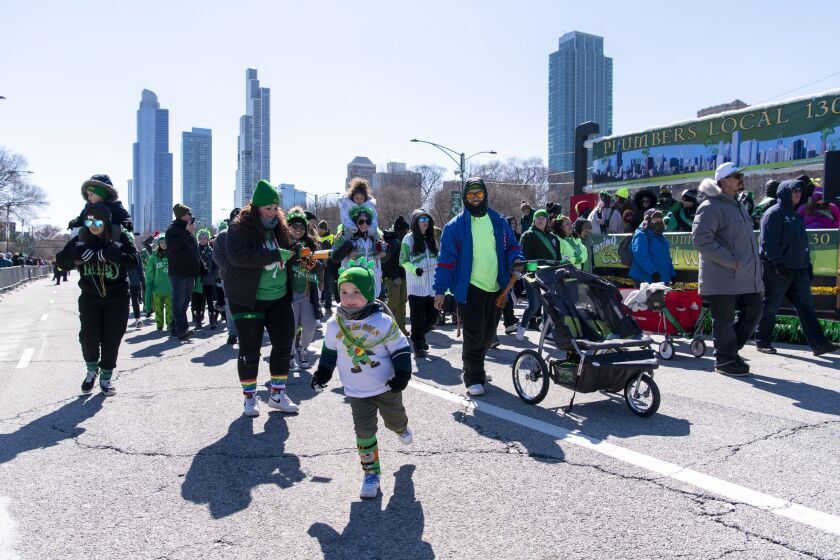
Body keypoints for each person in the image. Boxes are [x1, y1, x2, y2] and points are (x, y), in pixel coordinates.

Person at [310, 264, 413, 499]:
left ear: (369, 293)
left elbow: (400, 348)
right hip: (357, 392)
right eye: (344, 292)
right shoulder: (334, 325)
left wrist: (403, 374)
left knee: (394, 421)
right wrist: (322, 375)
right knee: (364, 432)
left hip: (387, 387)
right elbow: (329, 354)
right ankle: (371, 474)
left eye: (356, 292)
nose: (349, 298)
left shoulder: (383, 321)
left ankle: (402, 427)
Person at [433, 178, 524, 396]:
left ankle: (477, 368)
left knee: (488, 335)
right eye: (471, 196)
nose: (475, 199)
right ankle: (473, 377)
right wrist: (440, 290)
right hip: (469, 288)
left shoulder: (499, 221)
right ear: (465, 198)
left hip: (497, 287)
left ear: (485, 196)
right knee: (473, 335)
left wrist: (517, 259)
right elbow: (445, 261)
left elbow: (513, 246)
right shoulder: (454, 227)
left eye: (479, 195)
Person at [224, 180, 299, 416]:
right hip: (248, 298)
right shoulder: (239, 229)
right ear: (255, 208)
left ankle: (277, 394)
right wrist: (275, 254)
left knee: (284, 345)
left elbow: (290, 255)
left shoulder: (280, 229)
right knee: (249, 350)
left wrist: (301, 257)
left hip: (279, 297)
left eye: (275, 208)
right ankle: (250, 397)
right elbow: (239, 257)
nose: (272, 212)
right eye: (268, 208)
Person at [55, 203, 137, 396]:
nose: (93, 225)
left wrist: (112, 254)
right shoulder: (80, 239)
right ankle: (92, 370)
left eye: (98, 221)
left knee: (111, 339)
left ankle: (106, 378)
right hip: (90, 297)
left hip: (117, 298)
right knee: (88, 338)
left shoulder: (120, 238)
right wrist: (77, 257)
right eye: (89, 220)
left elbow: (134, 261)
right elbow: (60, 262)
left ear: (107, 222)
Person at [692, 163, 763, 376]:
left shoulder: (738, 205)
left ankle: (730, 351)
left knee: (755, 309)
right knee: (723, 319)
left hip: (744, 274)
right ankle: (725, 360)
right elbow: (701, 240)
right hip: (722, 275)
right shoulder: (710, 206)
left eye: (741, 175)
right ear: (723, 181)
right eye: (736, 176)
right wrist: (730, 260)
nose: (741, 179)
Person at [756, 180, 838, 356]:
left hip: (799, 271)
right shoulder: (773, 214)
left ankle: (819, 344)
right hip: (777, 270)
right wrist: (777, 263)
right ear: (784, 192)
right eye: (794, 191)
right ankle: (763, 342)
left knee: (806, 307)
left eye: (800, 191)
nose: (798, 194)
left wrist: (807, 265)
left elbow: (802, 243)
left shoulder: (795, 215)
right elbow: (767, 243)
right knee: (770, 306)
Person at [516, 208, 561, 340]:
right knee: (534, 305)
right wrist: (532, 271)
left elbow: (557, 258)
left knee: (549, 304)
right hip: (532, 275)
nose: (540, 220)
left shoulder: (553, 238)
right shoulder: (528, 235)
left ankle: (546, 330)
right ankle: (522, 327)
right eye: (538, 218)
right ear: (534, 220)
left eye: (543, 218)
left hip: (550, 276)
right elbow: (525, 257)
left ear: (547, 221)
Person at [286, 207, 323, 369]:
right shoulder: (283, 244)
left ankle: (302, 348)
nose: (299, 230)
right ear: (289, 228)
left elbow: (319, 267)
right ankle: (290, 355)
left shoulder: (311, 244)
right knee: (291, 328)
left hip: (308, 293)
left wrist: (311, 261)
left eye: (302, 227)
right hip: (289, 294)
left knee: (310, 327)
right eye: (295, 227)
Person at [400, 210, 439, 357]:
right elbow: (403, 261)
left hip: (432, 285)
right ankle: (418, 346)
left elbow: (438, 257)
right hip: (416, 285)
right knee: (417, 318)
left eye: (427, 219)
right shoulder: (407, 239)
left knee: (433, 317)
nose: (425, 222)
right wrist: (414, 269)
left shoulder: (432, 238)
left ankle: (419, 336)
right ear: (415, 222)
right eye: (421, 219)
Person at [331, 207, 386, 300]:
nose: (364, 224)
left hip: (372, 283)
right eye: (361, 221)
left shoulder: (373, 237)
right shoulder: (345, 237)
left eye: (367, 221)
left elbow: (386, 253)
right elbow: (335, 257)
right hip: (353, 284)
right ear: (354, 222)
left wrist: (384, 254)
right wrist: (348, 250)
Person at [165, 204, 201, 339]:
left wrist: (201, 266)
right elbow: (173, 247)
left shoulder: (189, 230)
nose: (190, 216)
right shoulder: (172, 230)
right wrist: (187, 232)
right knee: (178, 301)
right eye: (188, 214)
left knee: (185, 302)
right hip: (178, 273)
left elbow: (194, 250)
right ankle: (182, 329)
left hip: (190, 272)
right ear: (181, 215)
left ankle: (175, 327)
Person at [68, 174, 132, 236]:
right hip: (93, 233)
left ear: (102, 194)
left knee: (117, 231)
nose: (89, 197)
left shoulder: (115, 205)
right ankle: (80, 245)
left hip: (110, 234)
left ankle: (116, 245)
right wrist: (75, 222)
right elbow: (82, 217)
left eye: (91, 194)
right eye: (87, 195)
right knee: (82, 231)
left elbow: (124, 215)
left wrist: (127, 222)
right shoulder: (89, 206)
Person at [212, 208, 241, 345]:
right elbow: (216, 255)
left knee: (247, 306)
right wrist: (230, 268)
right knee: (230, 306)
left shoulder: (248, 234)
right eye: (235, 218)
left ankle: (244, 332)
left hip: (246, 278)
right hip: (228, 277)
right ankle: (232, 333)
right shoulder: (223, 235)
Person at [630, 209, 675, 286]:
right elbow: (640, 256)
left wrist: (671, 273)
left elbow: (666, 257)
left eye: (659, 218)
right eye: (654, 218)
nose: (658, 221)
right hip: (645, 279)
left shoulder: (661, 236)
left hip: (661, 279)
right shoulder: (641, 234)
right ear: (648, 220)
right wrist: (653, 272)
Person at [381, 216, 410, 334]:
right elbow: (387, 262)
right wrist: (395, 276)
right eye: (407, 230)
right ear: (402, 230)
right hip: (392, 277)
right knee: (393, 301)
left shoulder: (402, 241)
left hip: (402, 276)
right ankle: (381, 326)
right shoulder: (392, 241)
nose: (408, 232)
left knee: (402, 301)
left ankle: (401, 328)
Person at [144, 236, 173, 332]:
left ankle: (170, 324)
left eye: (166, 242)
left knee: (170, 308)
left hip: (170, 287)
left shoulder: (173, 254)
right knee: (158, 308)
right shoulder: (154, 256)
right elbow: (150, 271)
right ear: (159, 244)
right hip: (158, 287)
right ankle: (159, 325)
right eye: (162, 243)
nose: (164, 244)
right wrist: (149, 284)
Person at [193, 228, 219, 329]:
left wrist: (214, 276)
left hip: (209, 280)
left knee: (210, 301)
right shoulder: (195, 250)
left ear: (208, 239)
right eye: (200, 238)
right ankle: (198, 321)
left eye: (204, 238)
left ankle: (212, 321)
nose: (202, 240)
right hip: (199, 280)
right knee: (198, 301)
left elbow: (216, 266)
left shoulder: (211, 251)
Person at [340, 177, 379, 242]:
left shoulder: (368, 204)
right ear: (353, 197)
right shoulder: (347, 204)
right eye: (356, 198)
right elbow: (344, 216)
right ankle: (349, 248)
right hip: (351, 226)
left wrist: (372, 227)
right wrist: (351, 226)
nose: (359, 200)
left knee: (376, 232)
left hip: (366, 225)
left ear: (365, 198)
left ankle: (378, 247)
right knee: (347, 232)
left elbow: (374, 216)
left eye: (361, 198)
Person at [125, 231, 145, 328]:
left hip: (134, 281)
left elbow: (140, 268)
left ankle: (138, 319)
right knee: (123, 302)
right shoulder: (116, 251)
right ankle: (122, 321)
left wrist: (143, 281)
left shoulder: (136, 252)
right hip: (121, 282)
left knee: (135, 300)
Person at [317, 220, 337, 314]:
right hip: (318, 264)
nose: (320, 231)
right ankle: (318, 305)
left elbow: (334, 249)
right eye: (319, 229)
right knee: (319, 286)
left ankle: (328, 306)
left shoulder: (332, 237)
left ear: (325, 229)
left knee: (329, 285)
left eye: (322, 230)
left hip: (329, 265)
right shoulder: (316, 237)